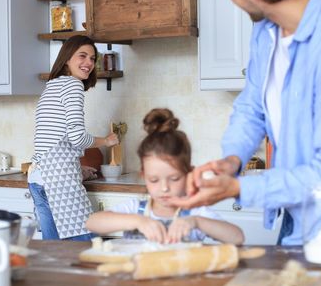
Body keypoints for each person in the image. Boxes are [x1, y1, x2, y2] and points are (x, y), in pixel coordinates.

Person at [168, 0, 321, 245]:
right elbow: (251, 106)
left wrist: (237, 188)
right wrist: (232, 160)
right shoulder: (267, 32)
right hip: (293, 215)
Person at [86, 108, 244, 245]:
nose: (164, 188)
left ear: (189, 173)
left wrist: (197, 222)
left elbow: (237, 237)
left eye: (174, 179)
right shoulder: (136, 209)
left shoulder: (195, 212)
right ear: (144, 176)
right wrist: (137, 221)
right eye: (154, 180)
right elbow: (92, 223)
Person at [28, 35, 119, 241]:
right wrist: (106, 141)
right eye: (82, 56)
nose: (88, 63)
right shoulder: (73, 86)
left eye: (92, 58)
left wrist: (77, 169)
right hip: (58, 180)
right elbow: (77, 137)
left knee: (54, 253)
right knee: (85, 248)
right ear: (67, 58)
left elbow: (56, 139)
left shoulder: (52, 86)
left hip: (38, 177)